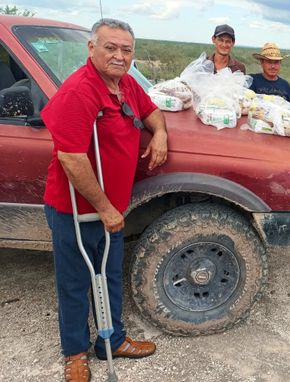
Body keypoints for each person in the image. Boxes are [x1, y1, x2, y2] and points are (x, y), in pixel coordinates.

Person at [42, 19, 168, 382]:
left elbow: (150, 112)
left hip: (112, 208)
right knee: (75, 281)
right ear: (92, 48)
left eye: (126, 50)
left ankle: (112, 340)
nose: (119, 55)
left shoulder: (126, 83)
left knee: (110, 275)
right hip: (76, 209)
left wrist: (159, 133)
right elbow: (71, 158)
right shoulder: (79, 91)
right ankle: (75, 353)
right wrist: (104, 207)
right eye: (110, 47)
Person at [250, 42, 290, 108]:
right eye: (269, 62)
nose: (273, 66)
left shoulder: (285, 85)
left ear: (280, 64)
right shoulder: (252, 81)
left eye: (276, 62)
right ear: (261, 62)